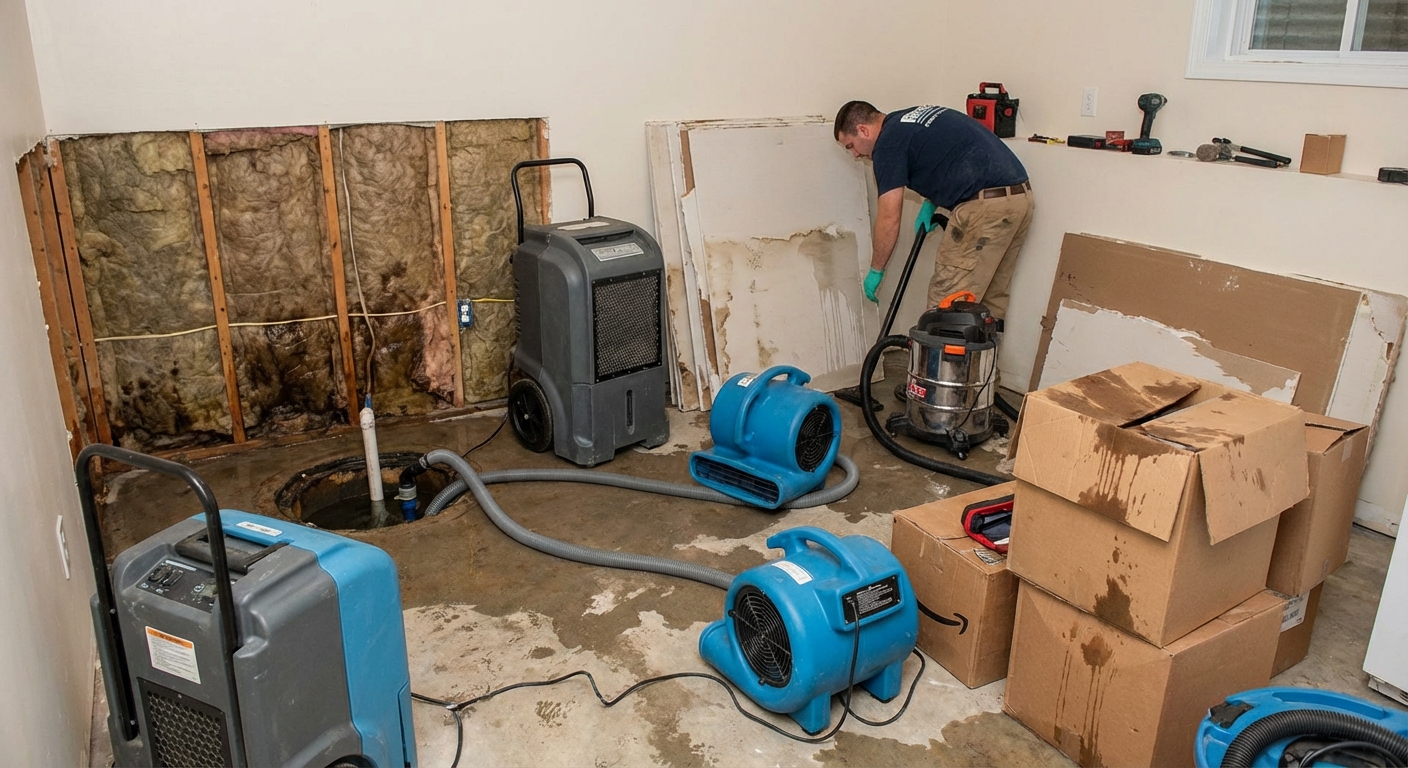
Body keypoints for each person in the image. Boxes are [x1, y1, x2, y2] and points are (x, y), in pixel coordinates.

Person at [834, 101, 1033, 320]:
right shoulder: (907, 118)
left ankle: (940, 355)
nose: (854, 155)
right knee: (988, 306)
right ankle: (984, 355)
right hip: (1019, 199)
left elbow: (889, 217)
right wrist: (932, 201)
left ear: (863, 130)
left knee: (945, 311)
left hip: (984, 209)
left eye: (850, 146)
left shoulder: (887, 144)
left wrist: (876, 269)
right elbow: (944, 154)